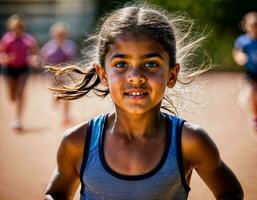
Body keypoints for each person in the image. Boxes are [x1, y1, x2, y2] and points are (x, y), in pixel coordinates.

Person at [44, 5, 243, 200]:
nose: (136, 77)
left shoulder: (189, 142)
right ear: (103, 75)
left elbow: (230, 193)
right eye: (121, 64)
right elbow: (56, 194)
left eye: (151, 64)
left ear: (172, 75)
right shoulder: (78, 142)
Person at [0, 14, 39, 130]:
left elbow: (34, 54)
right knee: (12, 96)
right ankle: (15, 101)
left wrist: (34, 60)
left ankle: (18, 120)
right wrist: (6, 58)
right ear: (11, 28)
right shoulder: (7, 39)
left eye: (20, 28)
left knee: (20, 92)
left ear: (23, 28)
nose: (17, 30)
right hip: (9, 69)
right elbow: (1, 53)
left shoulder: (28, 40)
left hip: (23, 69)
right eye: (15, 28)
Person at [40, 21, 77, 126]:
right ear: (54, 34)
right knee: (57, 92)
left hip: (65, 73)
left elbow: (72, 57)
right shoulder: (50, 45)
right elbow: (44, 58)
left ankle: (65, 116)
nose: (60, 36)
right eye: (58, 34)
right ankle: (56, 98)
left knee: (66, 95)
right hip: (53, 75)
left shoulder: (69, 45)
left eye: (62, 34)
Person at [233, 11, 257, 132]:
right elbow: (237, 52)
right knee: (252, 92)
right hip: (251, 73)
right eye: (253, 25)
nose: (255, 27)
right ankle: (255, 119)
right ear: (246, 25)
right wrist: (240, 57)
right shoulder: (243, 41)